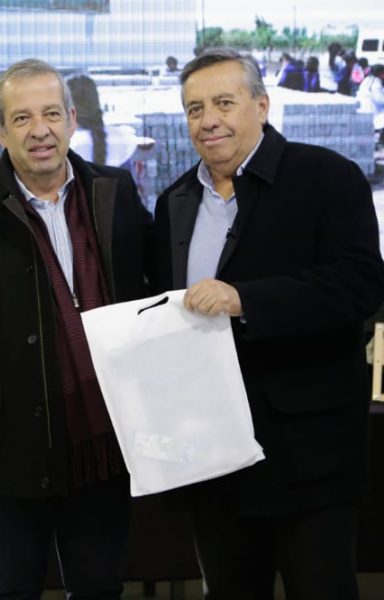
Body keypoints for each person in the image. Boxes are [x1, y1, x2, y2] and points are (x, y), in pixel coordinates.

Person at [154, 48, 384, 599]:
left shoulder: (327, 177)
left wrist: (246, 300)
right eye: (194, 109)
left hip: (312, 458)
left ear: (262, 105)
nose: (208, 120)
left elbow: (360, 285)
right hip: (216, 458)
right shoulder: (174, 201)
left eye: (224, 103)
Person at [0, 58, 152, 598]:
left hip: (106, 443)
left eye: (51, 113)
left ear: (72, 119)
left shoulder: (114, 191)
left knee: (99, 589)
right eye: (22, 118)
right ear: (0, 130)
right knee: (11, 589)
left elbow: (151, 294)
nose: (40, 130)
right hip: (10, 447)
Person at [357, 64, 384, 139]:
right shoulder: (376, 83)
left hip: (363, 107)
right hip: (372, 109)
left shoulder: (366, 80)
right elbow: (380, 99)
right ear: (381, 73)